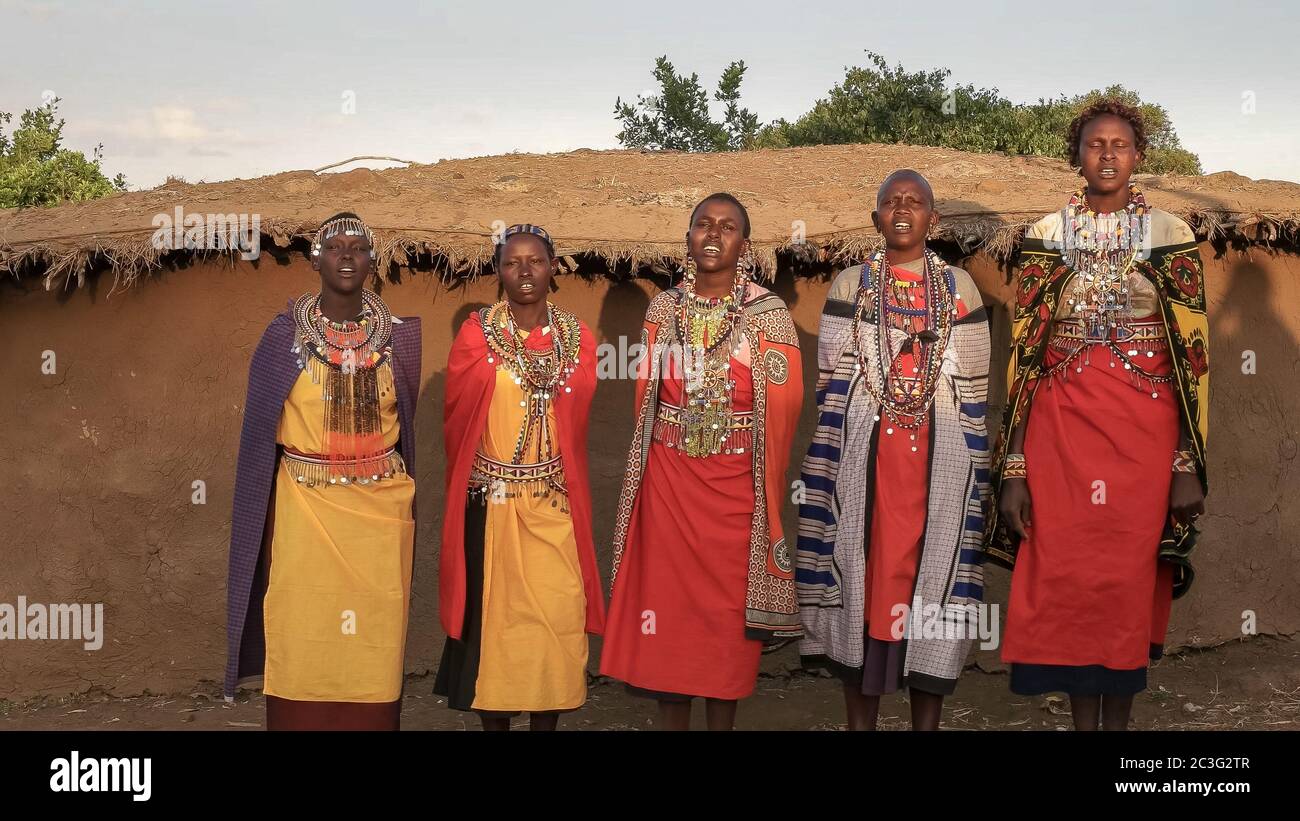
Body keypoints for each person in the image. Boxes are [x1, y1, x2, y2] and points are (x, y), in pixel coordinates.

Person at [986, 100, 1210, 731]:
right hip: (1061, 435)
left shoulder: (1172, 236)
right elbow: (1024, 360)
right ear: (1076, 156)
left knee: (1125, 581)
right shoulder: (1045, 236)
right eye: (1095, 144)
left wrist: (1185, 464)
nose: (1108, 154)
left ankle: (1120, 732)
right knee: (1070, 578)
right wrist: (1014, 468)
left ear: (1138, 155)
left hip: (1146, 435)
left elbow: (1193, 361)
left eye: (1120, 144)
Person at [600, 193, 803, 731]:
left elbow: (782, 411)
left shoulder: (769, 315)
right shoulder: (665, 309)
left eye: (728, 226)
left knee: (723, 629)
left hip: (737, 493)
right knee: (668, 627)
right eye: (703, 225)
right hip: (669, 483)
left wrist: (765, 491)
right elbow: (647, 398)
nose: (714, 235)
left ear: (745, 243)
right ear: (688, 237)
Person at [796, 170, 991, 730]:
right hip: (865, 467)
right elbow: (830, 381)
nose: (903, 209)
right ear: (875, 215)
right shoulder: (850, 284)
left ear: (933, 218)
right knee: (864, 582)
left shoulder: (959, 287)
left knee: (932, 583)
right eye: (891, 201)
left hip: (941, 464)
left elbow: (974, 382)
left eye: (916, 202)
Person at [225, 212, 422, 730]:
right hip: (305, 514)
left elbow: (407, 430)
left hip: (379, 518)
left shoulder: (398, 339)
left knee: (374, 646)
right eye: (336, 247)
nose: (348, 255)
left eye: (359, 246)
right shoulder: (282, 337)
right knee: (304, 632)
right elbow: (259, 442)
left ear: (374, 260)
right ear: (317, 258)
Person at [434, 224, 605, 731]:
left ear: (554, 268)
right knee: (498, 630)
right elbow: (457, 423)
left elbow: (574, 425)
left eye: (536, 261)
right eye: (512, 262)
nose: (525, 271)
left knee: (555, 619)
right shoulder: (475, 335)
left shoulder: (578, 339)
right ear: (498, 272)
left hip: (554, 503)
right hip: (494, 505)